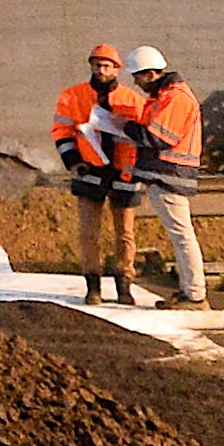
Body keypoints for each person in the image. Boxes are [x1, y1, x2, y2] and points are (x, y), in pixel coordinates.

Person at [48, 40, 147, 302]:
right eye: (97, 65)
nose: (101, 70)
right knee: (89, 233)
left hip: (124, 174)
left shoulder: (133, 100)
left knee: (125, 233)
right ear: (91, 66)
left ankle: (124, 284)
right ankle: (93, 286)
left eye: (107, 66)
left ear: (117, 70)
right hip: (89, 172)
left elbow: (144, 137)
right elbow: (62, 132)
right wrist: (73, 162)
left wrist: (138, 170)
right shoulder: (72, 96)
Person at [124, 45, 206, 304]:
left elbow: (158, 137)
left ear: (149, 73)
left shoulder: (174, 97)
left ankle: (194, 296)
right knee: (181, 236)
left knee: (183, 237)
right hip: (169, 175)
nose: (136, 83)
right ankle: (189, 291)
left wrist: (122, 126)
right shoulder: (167, 96)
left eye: (137, 76)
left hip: (170, 175)